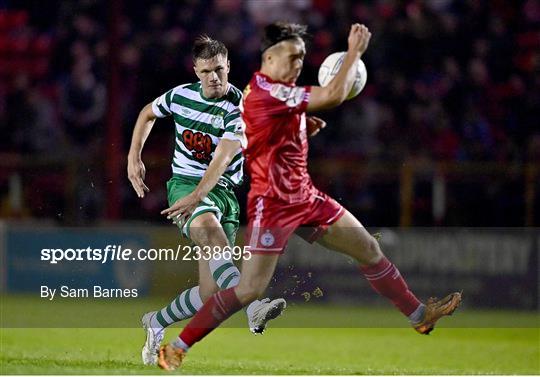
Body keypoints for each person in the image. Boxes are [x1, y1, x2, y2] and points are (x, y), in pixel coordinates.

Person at [157, 23, 462, 371]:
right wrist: (353, 54)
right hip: (272, 205)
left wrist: (300, 126)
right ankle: (177, 346)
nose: (299, 63)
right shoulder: (266, 90)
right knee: (249, 290)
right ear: (270, 57)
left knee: (370, 251)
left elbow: (266, 132)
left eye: (302, 56)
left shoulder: (277, 93)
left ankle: (419, 315)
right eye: (293, 57)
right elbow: (332, 94)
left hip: (306, 197)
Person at [127, 35, 286, 366]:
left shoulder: (240, 108)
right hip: (185, 185)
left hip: (222, 191)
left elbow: (223, 160)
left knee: (209, 294)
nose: (213, 77)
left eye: (218, 69)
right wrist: (133, 157)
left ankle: (156, 321)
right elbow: (147, 113)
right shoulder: (180, 95)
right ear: (195, 71)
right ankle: (254, 307)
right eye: (205, 71)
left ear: (228, 66)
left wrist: (201, 194)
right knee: (212, 237)